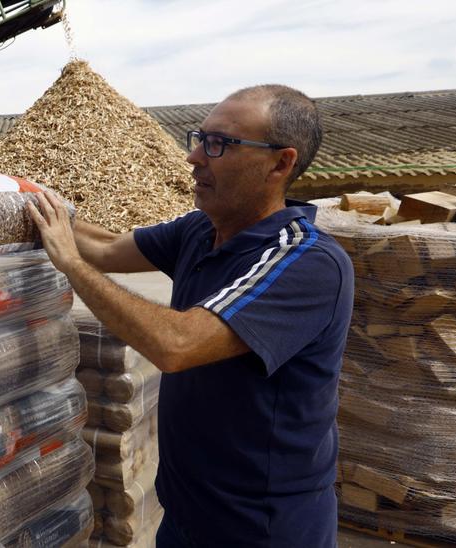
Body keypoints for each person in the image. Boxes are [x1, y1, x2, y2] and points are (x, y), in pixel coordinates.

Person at [27, 85, 353, 547]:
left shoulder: (307, 263)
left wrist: (71, 266)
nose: (194, 157)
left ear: (280, 163)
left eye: (220, 144)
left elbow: (177, 345)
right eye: (199, 138)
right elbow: (103, 248)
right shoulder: (200, 229)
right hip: (185, 516)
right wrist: (25, 200)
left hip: (261, 529)